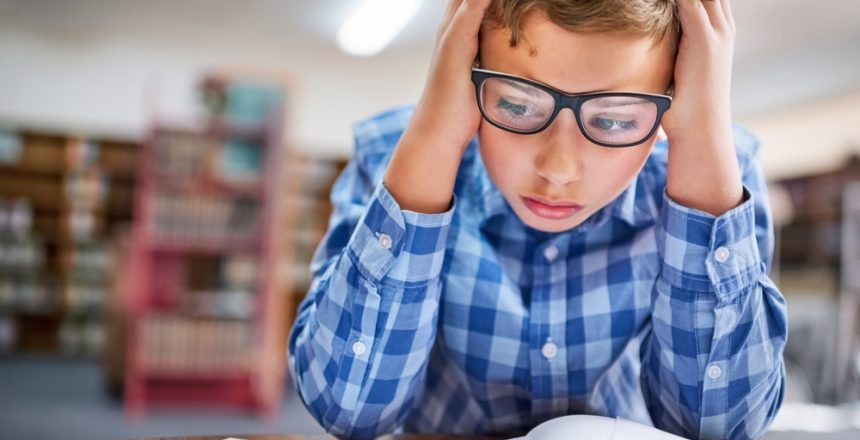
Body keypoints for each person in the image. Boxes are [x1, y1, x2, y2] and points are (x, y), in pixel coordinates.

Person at [288, 0, 787, 438]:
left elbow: (721, 427)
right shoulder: (393, 158)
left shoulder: (719, 173)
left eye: (614, 120)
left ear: (670, 110)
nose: (559, 170)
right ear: (466, 70)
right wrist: (435, 134)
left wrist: (701, 137)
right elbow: (347, 411)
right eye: (516, 104)